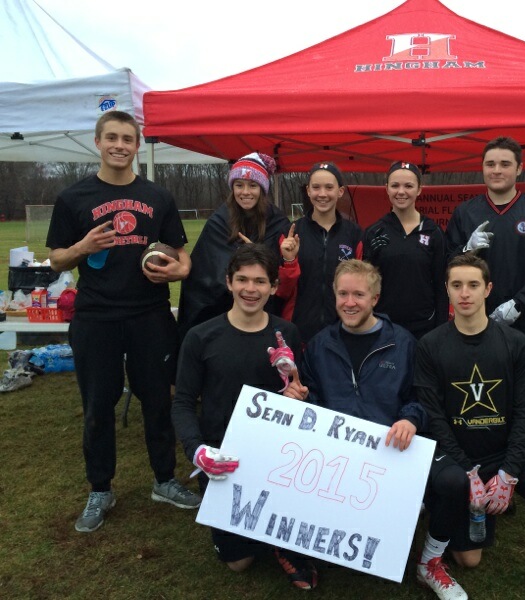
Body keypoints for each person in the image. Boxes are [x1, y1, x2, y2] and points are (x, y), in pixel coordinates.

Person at [46, 110, 200, 533]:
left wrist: (179, 271)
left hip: (150, 313)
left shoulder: (158, 197)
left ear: (137, 145)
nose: (119, 145)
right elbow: (57, 258)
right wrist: (82, 246)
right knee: (98, 404)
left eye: (127, 139)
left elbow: (181, 253)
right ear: (98, 142)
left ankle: (165, 480)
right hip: (96, 315)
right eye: (111, 137)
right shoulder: (73, 198)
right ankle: (100, 488)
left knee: (158, 400)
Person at [414, 253, 525, 600]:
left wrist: (510, 472)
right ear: (447, 290)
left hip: (508, 449)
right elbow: (433, 417)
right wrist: (467, 471)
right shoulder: (430, 345)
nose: (465, 293)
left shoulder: (515, 343)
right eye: (456, 285)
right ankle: (450, 506)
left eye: (473, 285)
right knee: (470, 560)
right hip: (459, 455)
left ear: (488, 289)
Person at [172, 244, 318, 590]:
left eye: (259, 281)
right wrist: (197, 451)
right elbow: (182, 402)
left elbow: (301, 393)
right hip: (224, 459)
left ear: (273, 287)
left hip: (277, 459)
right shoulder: (201, 336)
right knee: (239, 562)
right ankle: (260, 535)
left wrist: (298, 398)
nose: (250, 289)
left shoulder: (287, 334)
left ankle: (283, 542)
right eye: (242, 280)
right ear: (228, 281)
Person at [445, 137, 525, 443]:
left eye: (505, 164)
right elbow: (448, 264)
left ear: (520, 168)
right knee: (480, 395)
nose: (497, 170)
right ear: (482, 168)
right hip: (474, 324)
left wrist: (519, 304)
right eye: (490, 164)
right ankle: (488, 462)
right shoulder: (465, 212)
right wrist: (464, 250)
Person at [284, 260, 426, 453]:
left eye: (359, 294)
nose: (349, 303)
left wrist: (410, 420)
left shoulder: (404, 344)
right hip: (330, 455)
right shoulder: (318, 346)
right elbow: (313, 403)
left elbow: (419, 398)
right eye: (343, 294)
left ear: (375, 298)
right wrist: (301, 399)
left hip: (387, 454)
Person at [177, 152, 291, 343]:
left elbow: (283, 278)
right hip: (221, 314)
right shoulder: (219, 222)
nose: (245, 192)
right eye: (239, 185)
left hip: (265, 313)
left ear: (262, 189)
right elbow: (204, 274)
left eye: (252, 185)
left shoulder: (278, 223)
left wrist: (258, 255)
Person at [277, 162, 363, 343]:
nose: (322, 194)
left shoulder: (354, 234)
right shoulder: (291, 233)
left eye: (329, 187)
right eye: (316, 187)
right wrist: (289, 261)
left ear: (340, 191)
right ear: (308, 191)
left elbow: (362, 286)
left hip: (343, 332)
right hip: (298, 332)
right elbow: (281, 291)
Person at [363, 161, 448, 339]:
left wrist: (441, 329)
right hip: (384, 327)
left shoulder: (433, 232)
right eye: (395, 185)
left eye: (408, 186)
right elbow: (365, 285)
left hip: (424, 328)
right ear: (386, 188)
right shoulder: (374, 232)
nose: (401, 191)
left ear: (419, 189)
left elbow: (441, 285)